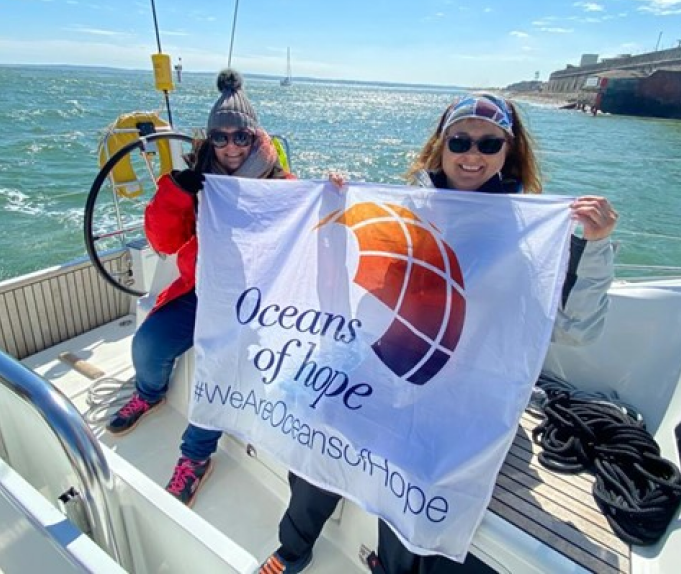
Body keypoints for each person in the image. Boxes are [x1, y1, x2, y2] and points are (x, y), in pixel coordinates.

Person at [259, 94, 618, 574]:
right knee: (324, 415)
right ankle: (293, 546)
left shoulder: (529, 235)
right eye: (461, 141)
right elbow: (353, 289)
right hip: (396, 374)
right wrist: (334, 205)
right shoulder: (407, 212)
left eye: (490, 144)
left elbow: (575, 333)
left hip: (469, 395)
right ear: (441, 146)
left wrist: (595, 248)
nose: (473, 155)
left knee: (413, 472)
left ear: (508, 152)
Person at [106, 68, 294, 507]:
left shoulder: (280, 184)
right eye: (221, 137)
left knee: (220, 367)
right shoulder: (194, 178)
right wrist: (175, 192)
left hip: (252, 304)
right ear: (210, 138)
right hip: (202, 291)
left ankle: (195, 457)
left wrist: (335, 192)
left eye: (241, 136)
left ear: (255, 135)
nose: (231, 146)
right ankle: (148, 392)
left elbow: (308, 230)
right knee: (149, 343)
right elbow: (163, 243)